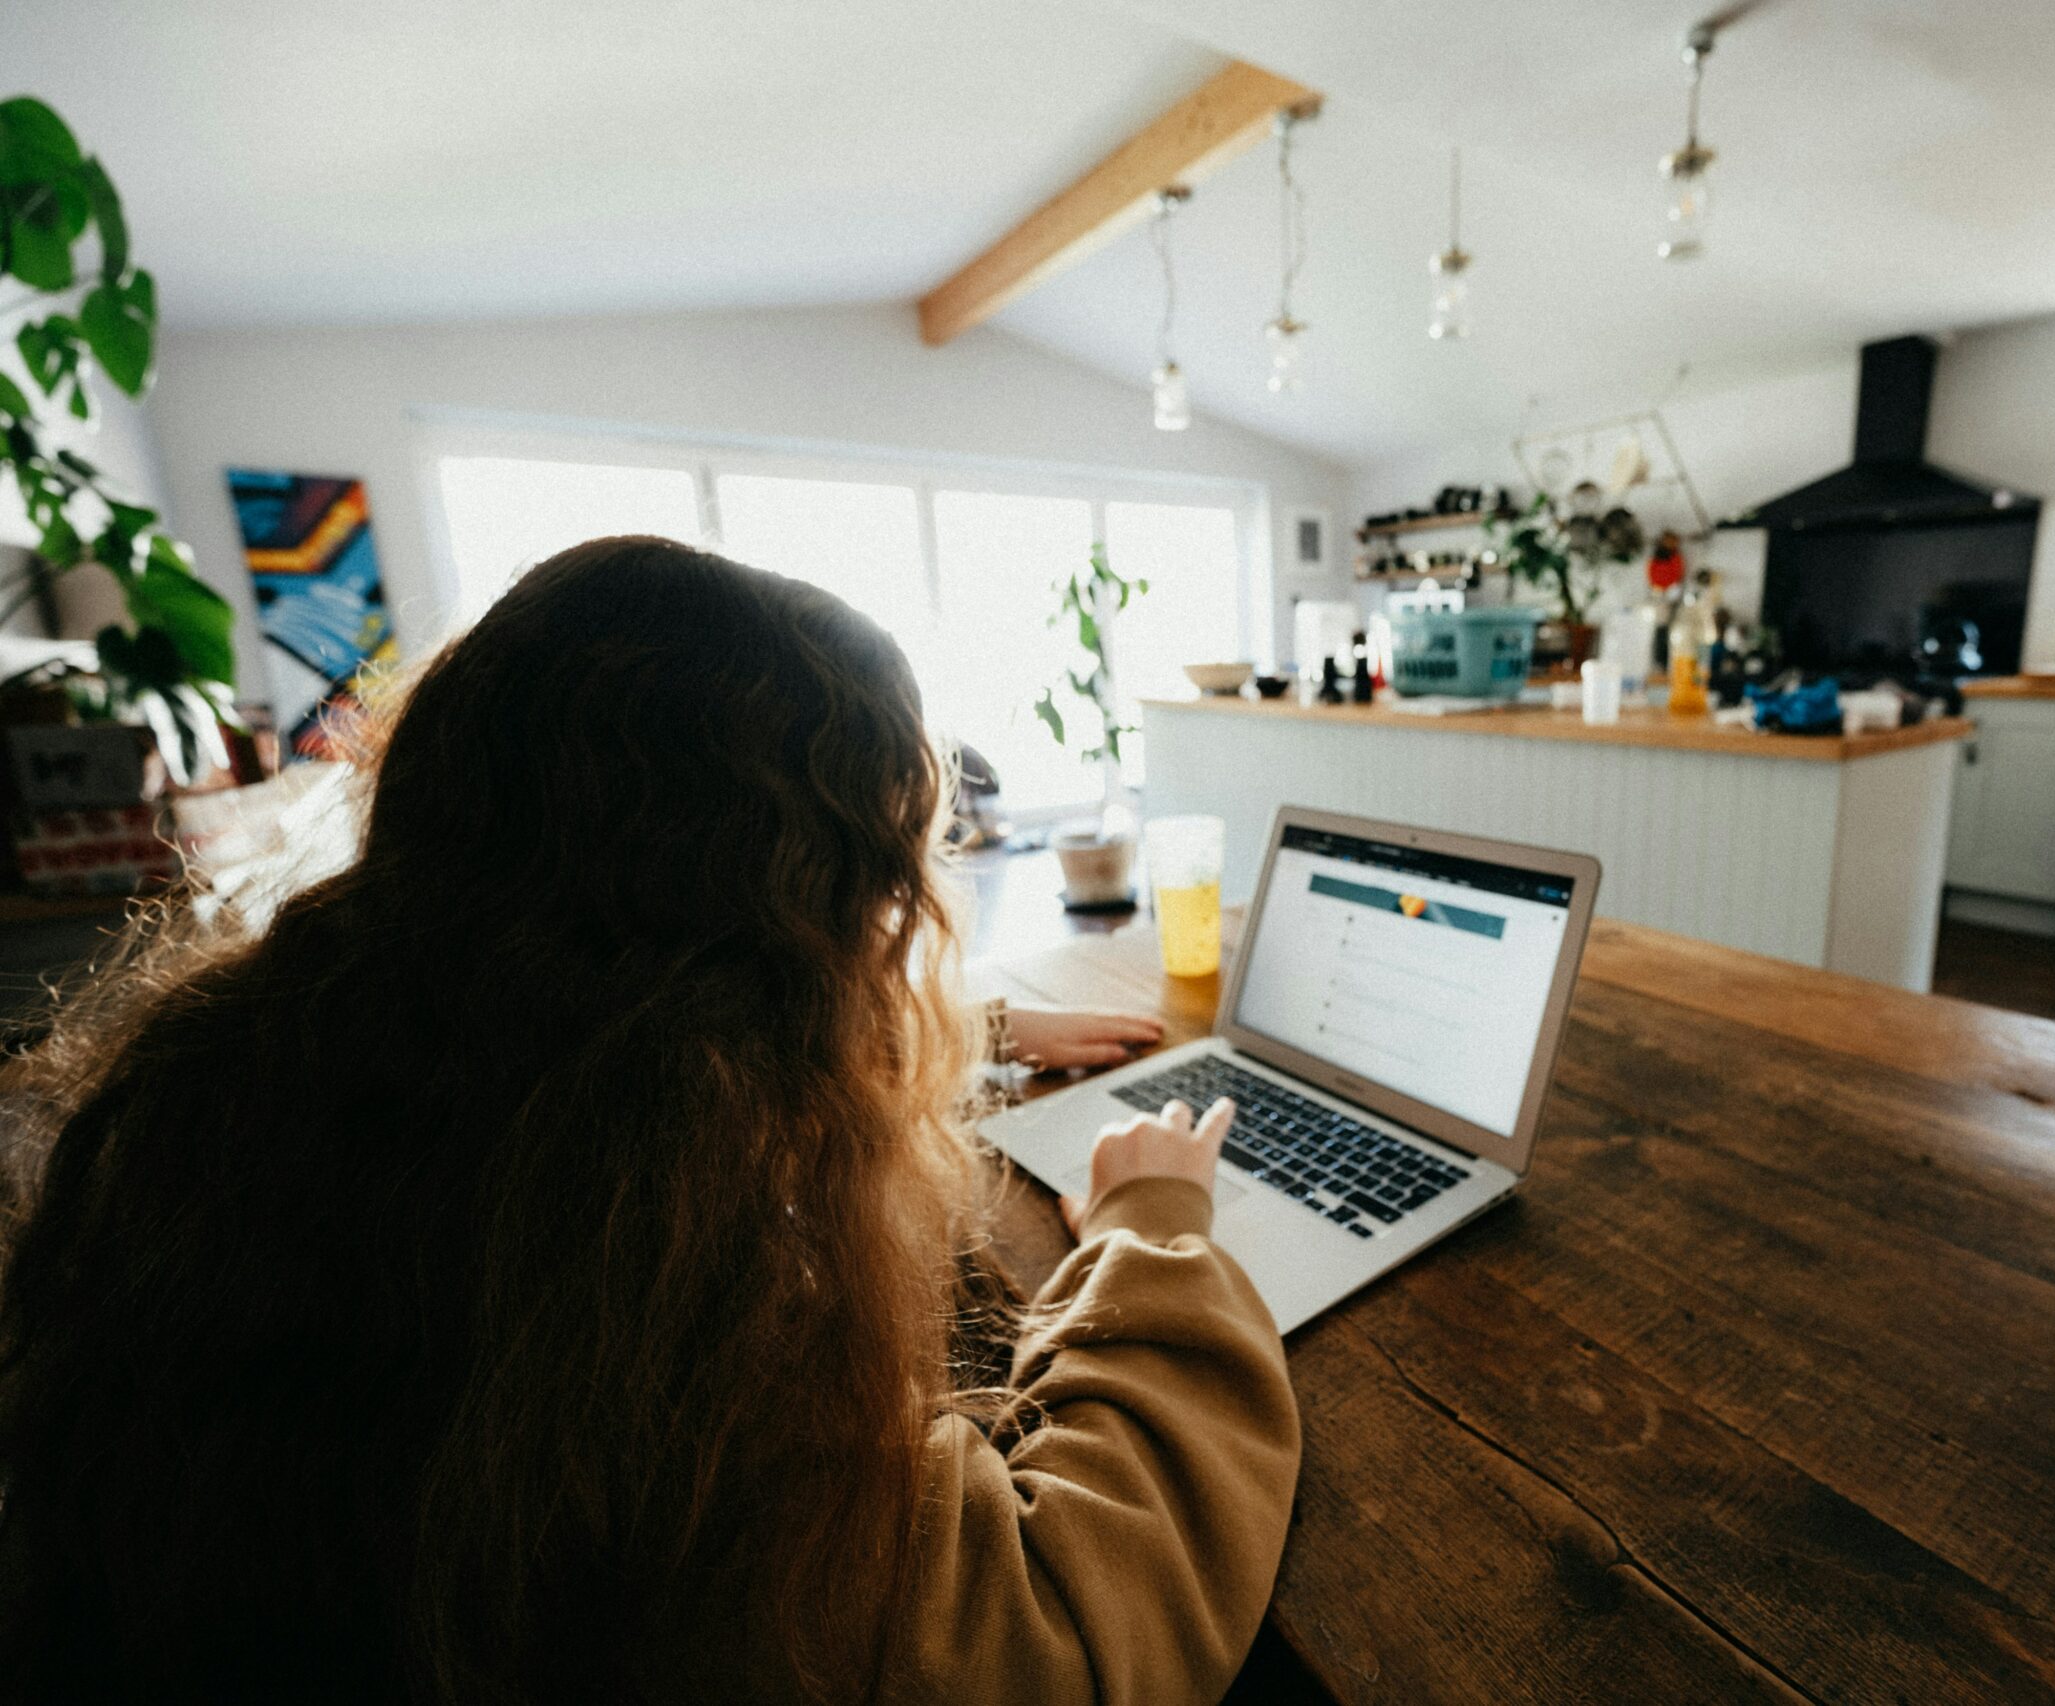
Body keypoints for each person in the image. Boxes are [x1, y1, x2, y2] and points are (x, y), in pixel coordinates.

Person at [0, 537, 1298, 1704]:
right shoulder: (660, 1307)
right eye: (876, 884)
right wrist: (1153, 1230)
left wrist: (975, 1036)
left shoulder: (251, 1088)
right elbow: (1057, 1633)